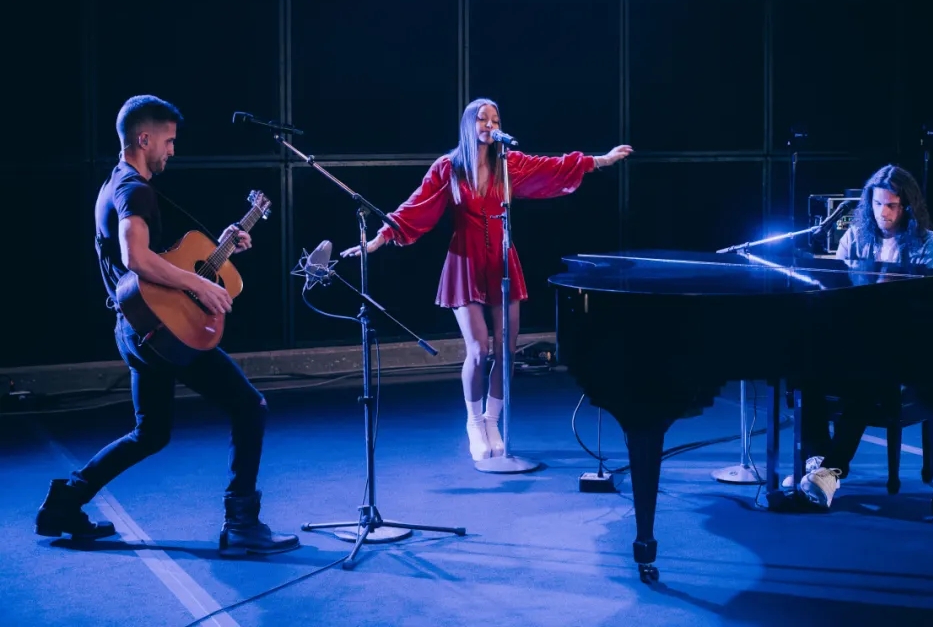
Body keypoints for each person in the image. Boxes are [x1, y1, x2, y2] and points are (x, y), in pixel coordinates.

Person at [35, 95, 300, 556]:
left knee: (150, 433)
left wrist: (218, 250)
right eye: (169, 141)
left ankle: (64, 504)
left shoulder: (114, 183)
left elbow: (158, 264)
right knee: (250, 406)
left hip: (136, 329)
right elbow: (135, 258)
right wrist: (201, 286)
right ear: (144, 139)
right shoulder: (134, 190)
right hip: (160, 333)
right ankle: (242, 524)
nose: (173, 150)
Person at [341, 97, 632, 461]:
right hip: (464, 262)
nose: (490, 125)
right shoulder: (449, 167)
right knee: (479, 350)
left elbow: (552, 167)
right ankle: (474, 422)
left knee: (506, 350)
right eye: (483, 119)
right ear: (469, 124)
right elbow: (415, 206)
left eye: (495, 119)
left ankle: (493, 421)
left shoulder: (508, 164)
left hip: (502, 261)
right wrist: (377, 241)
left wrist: (600, 160)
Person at [793, 163, 933, 509]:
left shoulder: (928, 243)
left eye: (892, 205)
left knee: (867, 377)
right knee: (801, 367)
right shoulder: (855, 237)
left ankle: (830, 470)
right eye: (877, 204)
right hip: (856, 339)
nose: (883, 213)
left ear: (908, 206)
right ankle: (818, 462)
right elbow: (836, 291)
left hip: (904, 346)